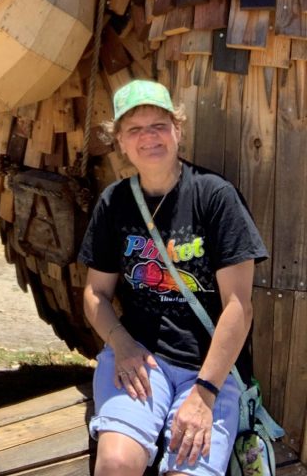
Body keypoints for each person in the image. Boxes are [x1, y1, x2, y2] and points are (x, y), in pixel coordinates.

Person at [78, 79, 267, 476]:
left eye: (159, 125)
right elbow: (96, 292)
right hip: (142, 362)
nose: (149, 137)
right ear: (121, 144)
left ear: (177, 131)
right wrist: (122, 344)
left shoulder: (215, 197)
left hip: (210, 369)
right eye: (135, 130)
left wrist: (206, 392)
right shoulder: (115, 202)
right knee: (114, 463)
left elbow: (239, 307)